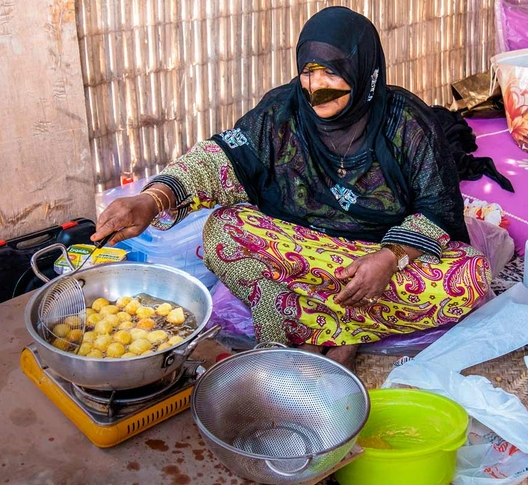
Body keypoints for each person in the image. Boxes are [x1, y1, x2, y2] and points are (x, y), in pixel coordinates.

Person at [92, 6, 491, 370]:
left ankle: (299, 320)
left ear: (364, 72)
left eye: (332, 73)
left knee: (469, 275)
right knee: (221, 230)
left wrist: (391, 257)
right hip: (299, 247)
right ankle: (344, 327)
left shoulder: (407, 123)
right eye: (308, 71)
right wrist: (152, 198)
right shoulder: (281, 112)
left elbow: (437, 209)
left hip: (378, 257)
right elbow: (221, 160)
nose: (316, 87)